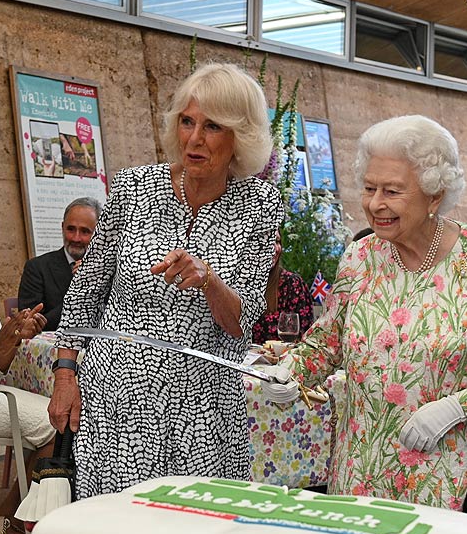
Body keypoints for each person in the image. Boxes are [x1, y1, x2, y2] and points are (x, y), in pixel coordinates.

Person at [268, 115, 467, 510]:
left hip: (447, 485)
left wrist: (457, 407)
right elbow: (326, 344)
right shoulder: (359, 258)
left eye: (392, 191)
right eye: (368, 188)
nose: (375, 203)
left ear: (435, 194)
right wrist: (292, 371)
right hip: (358, 477)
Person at [48, 62, 283, 501]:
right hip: (117, 398)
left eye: (212, 126)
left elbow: (243, 323)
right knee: (118, 530)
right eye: (187, 122)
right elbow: (87, 290)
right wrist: (65, 374)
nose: (194, 139)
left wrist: (210, 280)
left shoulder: (261, 204)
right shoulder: (135, 187)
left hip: (205, 404)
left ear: (241, 137)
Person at [0, 201, 56, 534]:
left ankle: (12, 515)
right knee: (53, 424)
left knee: (56, 414)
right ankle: (14, 522)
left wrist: (16, 338)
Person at [17, 197, 101, 330]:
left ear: (98, 233)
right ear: (62, 227)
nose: (76, 238)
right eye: (71, 229)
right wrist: (80, 289)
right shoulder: (37, 268)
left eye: (85, 231)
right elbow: (32, 326)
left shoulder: (109, 271)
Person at [252, 230, 313, 344]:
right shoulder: (237, 283)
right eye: (269, 242)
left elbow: (304, 335)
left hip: (281, 359)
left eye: (277, 241)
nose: (275, 249)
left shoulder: (291, 284)